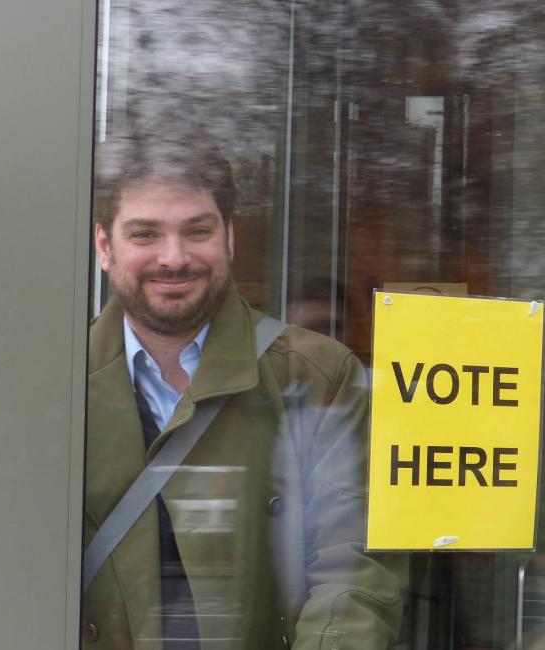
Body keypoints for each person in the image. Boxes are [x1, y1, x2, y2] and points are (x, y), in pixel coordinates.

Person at [82, 132, 405, 649]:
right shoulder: (54, 385)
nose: (173, 257)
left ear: (229, 238)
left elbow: (351, 564)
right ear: (104, 246)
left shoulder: (318, 374)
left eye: (197, 231)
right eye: (145, 234)